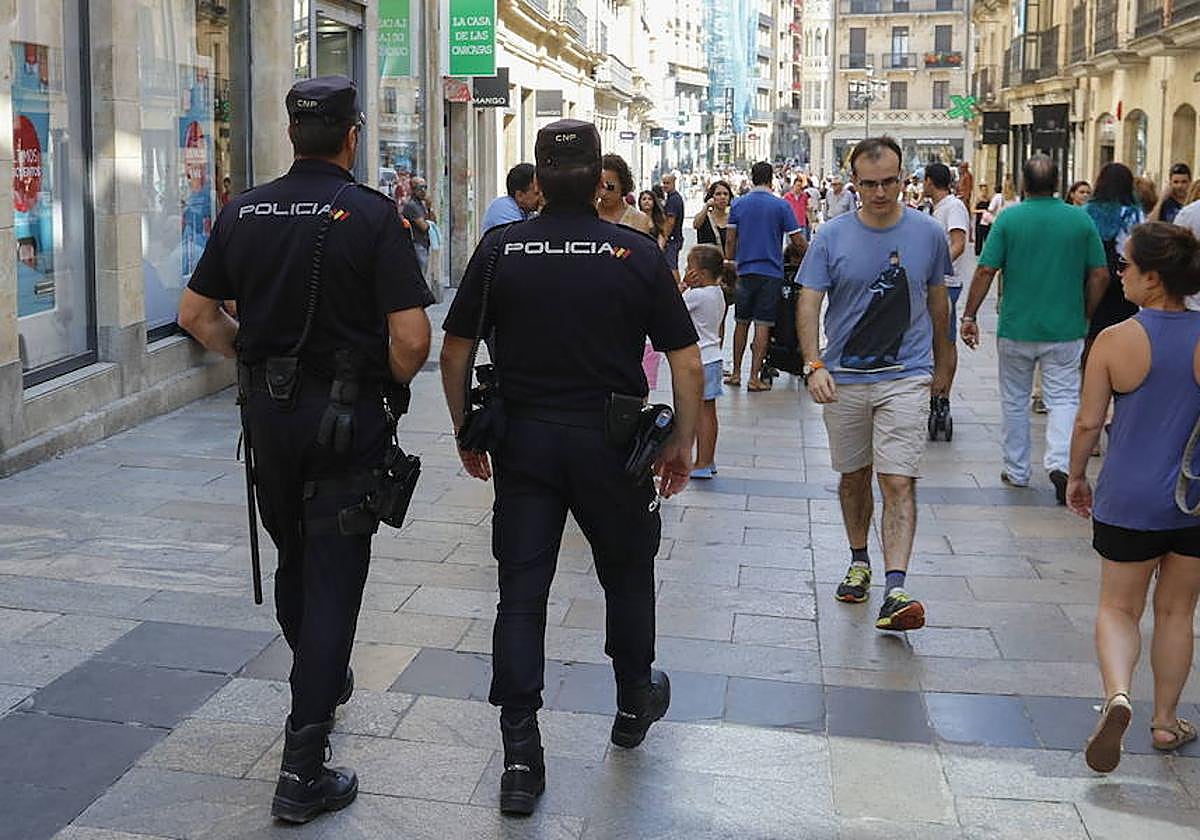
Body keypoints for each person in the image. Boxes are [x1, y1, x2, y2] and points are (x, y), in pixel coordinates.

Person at [177, 76, 434, 824]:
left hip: (269, 421)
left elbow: (197, 313)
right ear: (352, 135)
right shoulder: (371, 215)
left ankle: (318, 677)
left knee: (294, 555)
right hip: (343, 421)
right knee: (333, 581)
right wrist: (373, 376)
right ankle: (302, 769)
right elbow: (413, 340)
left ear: (294, 135)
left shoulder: (244, 208)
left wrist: (251, 362)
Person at [439, 119, 703, 817]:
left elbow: (455, 351)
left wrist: (466, 426)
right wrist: (680, 440)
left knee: (520, 593)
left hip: (524, 439)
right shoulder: (632, 252)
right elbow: (686, 357)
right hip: (610, 445)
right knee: (626, 570)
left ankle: (521, 756)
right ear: (596, 180)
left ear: (537, 178)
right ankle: (631, 701)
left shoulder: (500, 250)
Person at [798, 136, 955, 632]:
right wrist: (813, 364)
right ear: (855, 184)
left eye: (889, 182)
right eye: (870, 184)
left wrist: (943, 366)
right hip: (843, 376)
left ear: (903, 178)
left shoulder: (928, 234)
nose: (881, 192)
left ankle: (896, 587)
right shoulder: (831, 235)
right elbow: (808, 301)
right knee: (853, 477)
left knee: (897, 479)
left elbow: (937, 304)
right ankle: (859, 558)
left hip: (905, 375)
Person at [1066, 222, 1200, 773]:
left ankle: (1119, 694)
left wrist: (1076, 477)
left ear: (1151, 277)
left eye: (1125, 265)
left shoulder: (1115, 340)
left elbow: (1088, 421)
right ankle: (1166, 722)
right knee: (1177, 612)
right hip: (1192, 501)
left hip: (1128, 499)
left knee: (1119, 608)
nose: (1118, 272)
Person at [962, 155, 1109, 503]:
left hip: (1017, 326)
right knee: (1063, 398)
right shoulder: (1079, 220)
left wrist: (969, 314)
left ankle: (1016, 468)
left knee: (1015, 399)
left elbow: (985, 270)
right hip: (1065, 327)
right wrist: (1085, 312)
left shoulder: (1010, 218)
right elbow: (1101, 274)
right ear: (1058, 183)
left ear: (1025, 185)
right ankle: (1059, 463)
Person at [724, 161, 806, 392]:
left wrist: (729, 262)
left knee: (741, 322)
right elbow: (797, 240)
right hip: (771, 273)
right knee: (763, 325)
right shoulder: (781, 206)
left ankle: (736, 373)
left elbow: (731, 239)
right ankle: (754, 377)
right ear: (771, 179)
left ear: (751, 177)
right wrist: (812, 257)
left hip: (745, 271)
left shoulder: (739, 204)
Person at [1085, 162, 1144, 345]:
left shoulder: (1086, 211)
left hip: (1091, 275)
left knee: (1092, 333)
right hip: (1123, 276)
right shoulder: (1134, 213)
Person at [683, 244, 727, 480]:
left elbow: (674, 308)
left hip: (700, 358)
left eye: (690, 267)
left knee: (699, 413)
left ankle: (700, 462)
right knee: (709, 412)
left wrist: (684, 286)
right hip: (713, 356)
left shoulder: (696, 295)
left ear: (700, 273)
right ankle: (708, 459)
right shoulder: (716, 292)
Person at [926, 162, 970, 347]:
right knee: (937, 337)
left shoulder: (953, 206)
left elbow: (958, 244)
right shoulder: (938, 207)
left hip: (947, 283)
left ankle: (944, 376)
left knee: (944, 340)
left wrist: (938, 267)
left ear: (929, 181)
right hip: (938, 282)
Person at [481, 163, 541, 233]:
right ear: (520, 196)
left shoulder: (526, 211)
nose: (541, 196)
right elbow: (524, 237)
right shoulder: (503, 207)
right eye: (536, 193)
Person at [401, 176, 434, 278]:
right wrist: (429, 223)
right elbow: (424, 227)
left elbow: (433, 222)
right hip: (417, 244)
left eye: (425, 187)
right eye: (421, 188)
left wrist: (429, 208)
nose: (423, 191)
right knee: (420, 276)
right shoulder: (411, 205)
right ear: (413, 189)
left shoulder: (421, 204)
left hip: (424, 244)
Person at [660, 173, 687, 281]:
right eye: (664, 183)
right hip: (674, 238)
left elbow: (670, 221)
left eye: (667, 183)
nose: (665, 185)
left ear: (674, 183)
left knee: (672, 267)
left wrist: (664, 237)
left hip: (672, 239)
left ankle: (677, 290)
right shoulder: (673, 198)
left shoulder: (673, 200)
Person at [693, 179, 732, 249]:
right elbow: (696, 225)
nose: (722, 197)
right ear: (712, 197)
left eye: (725, 194)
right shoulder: (704, 216)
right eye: (718, 194)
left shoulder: (732, 218)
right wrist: (706, 206)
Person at [784, 176, 811, 240]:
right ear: (793, 185)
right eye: (797, 185)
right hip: (790, 225)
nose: (799, 188)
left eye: (800, 186)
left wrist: (810, 222)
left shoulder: (804, 196)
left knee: (802, 247)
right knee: (790, 247)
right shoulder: (787, 197)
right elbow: (784, 211)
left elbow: (807, 209)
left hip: (802, 224)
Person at [973, 182, 993, 256]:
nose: (984, 192)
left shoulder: (989, 199)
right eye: (983, 190)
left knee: (987, 236)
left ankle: (987, 252)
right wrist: (981, 211)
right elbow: (973, 210)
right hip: (979, 219)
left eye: (986, 190)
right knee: (979, 236)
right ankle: (978, 251)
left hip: (987, 220)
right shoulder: (978, 199)